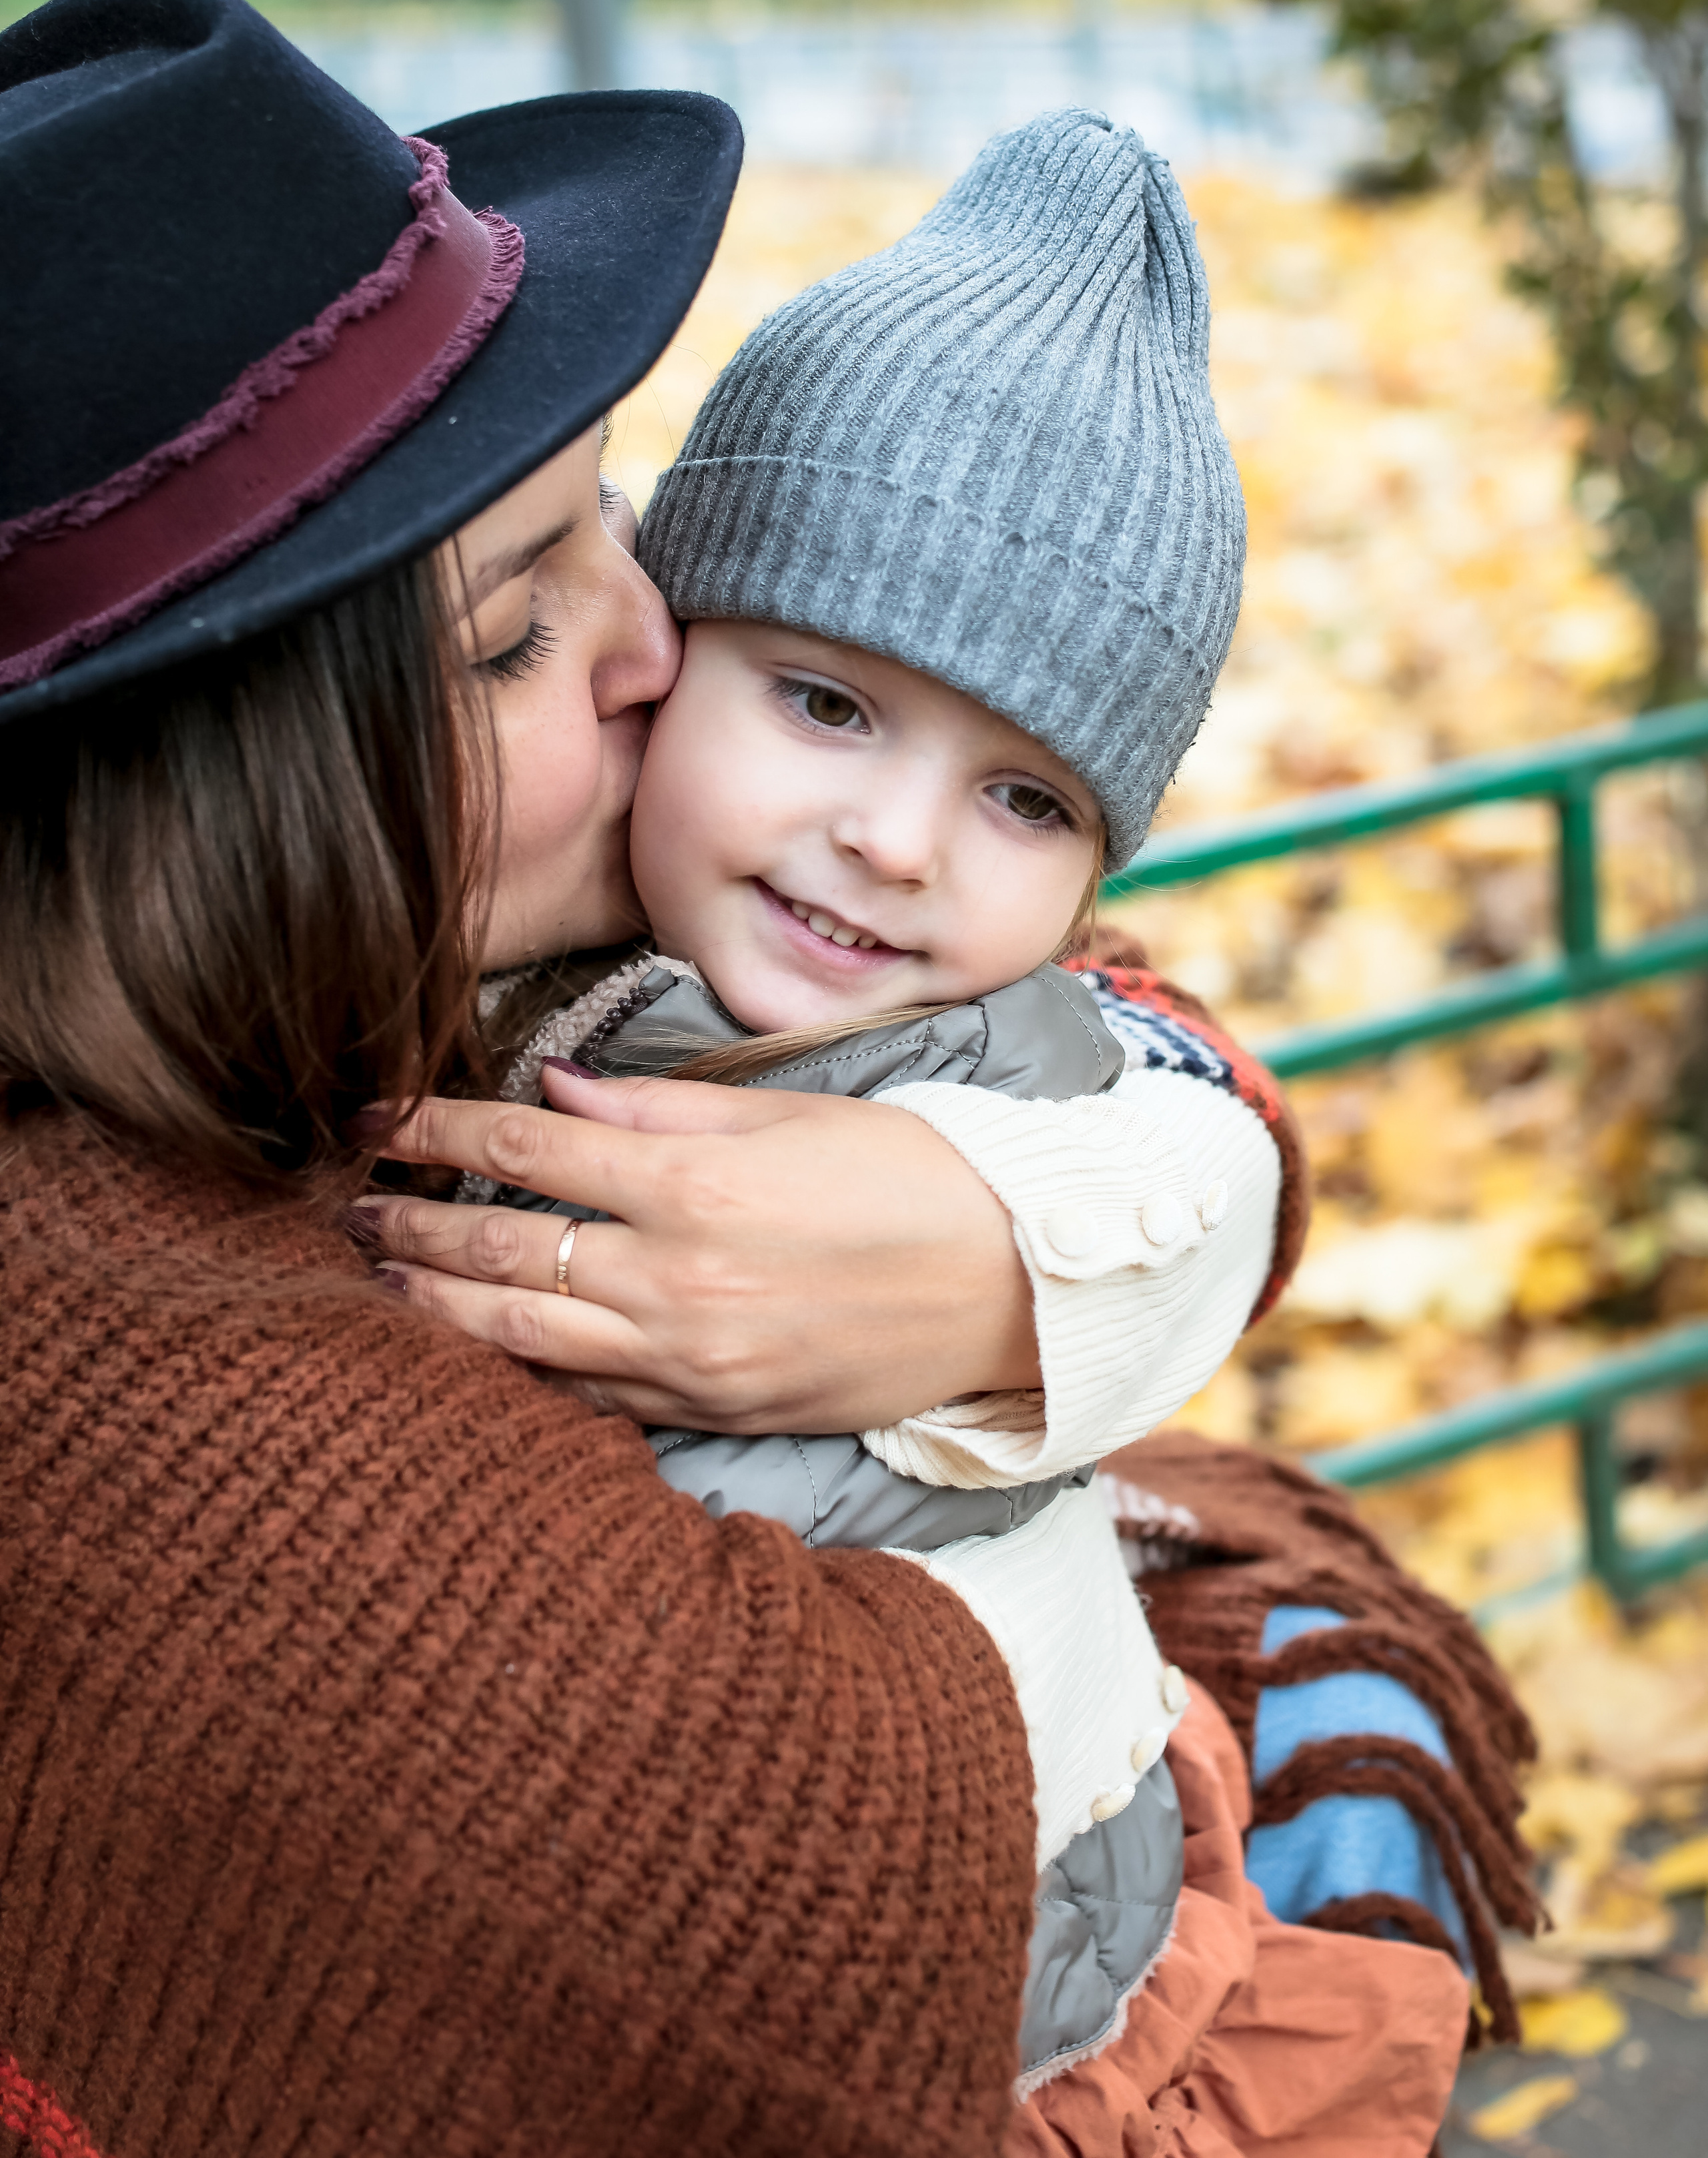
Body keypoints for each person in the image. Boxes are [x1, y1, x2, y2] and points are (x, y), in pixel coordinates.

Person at [0, 6, 1539, 2154]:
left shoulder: (411, 971)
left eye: (609, 514)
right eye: (518, 628)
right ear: (228, 782)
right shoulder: (232, 1485)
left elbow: (1120, 1043)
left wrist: (1037, 1246)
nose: (655, 640)